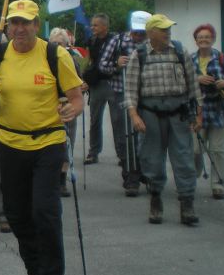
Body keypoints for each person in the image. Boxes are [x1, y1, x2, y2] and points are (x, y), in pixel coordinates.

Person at [0, 0, 83, 275]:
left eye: (27, 23)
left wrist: (69, 110)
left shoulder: (55, 54)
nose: (20, 29)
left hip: (47, 142)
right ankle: (33, 272)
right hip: (9, 143)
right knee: (17, 213)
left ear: (37, 25)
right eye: (14, 23)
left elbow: (77, 100)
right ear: (7, 27)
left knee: (45, 211)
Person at [124, 14, 202, 225]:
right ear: (151, 33)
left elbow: (193, 84)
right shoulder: (138, 55)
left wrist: (199, 113)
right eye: (163, 29)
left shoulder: (179, 51)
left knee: (184, 160)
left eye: (169, 29)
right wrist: (134, 115)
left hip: (179, 114)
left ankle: (187, 204)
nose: (168, 32)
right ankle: (156, 199)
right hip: (150, 115)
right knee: (152, 160)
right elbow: (130, 91)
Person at [97, 11, 150, 196]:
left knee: (146, 135)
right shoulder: (118, 41)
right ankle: (131, 177)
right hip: (122, 91)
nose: (138, 36)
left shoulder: (151, 43)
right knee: (125, 136)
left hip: (147, 94)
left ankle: (145, 171)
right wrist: (116, 63)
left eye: (142, 32)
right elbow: (102, 65)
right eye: (136, 32)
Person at [191, 24, 224, 200]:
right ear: (196, 40)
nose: (203, 40)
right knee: (194, 149)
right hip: (196, 110)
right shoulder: (190, 59)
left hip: (219, 110)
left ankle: (218, 184)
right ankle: (191, 177)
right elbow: (182, 79)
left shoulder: (222, 58)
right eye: (200, 37)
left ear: (213, 39)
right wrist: (198, 78)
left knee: (218, 150)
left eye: (207, 37)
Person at [49, 28, 83, 197]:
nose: (57, 47)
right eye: (54, 43)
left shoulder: (71, 61)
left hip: (67, 105)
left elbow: (79, 85)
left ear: (66, 45)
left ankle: (62, 179)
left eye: (60, 44)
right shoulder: (46, 60)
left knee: (67, 142)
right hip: (49, 108)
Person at [82, 14, 118, 165]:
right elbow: (89, 62)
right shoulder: (91, 41)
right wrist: (85, 79)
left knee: (118, 121)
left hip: (112, 83)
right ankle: (93, 152)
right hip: (96, 85)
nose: (92, 27)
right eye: (92, 25)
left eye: (95, 25)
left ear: (105, 26)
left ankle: (122, 154)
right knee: (95, 120)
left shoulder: (115, 41)